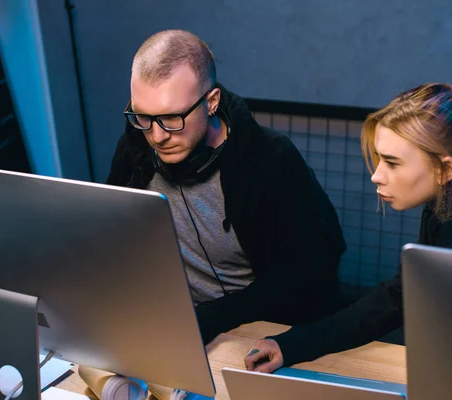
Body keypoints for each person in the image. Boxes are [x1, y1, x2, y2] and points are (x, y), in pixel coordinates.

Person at [245, 80, 452, 373]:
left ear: (445, 169)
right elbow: (401, 295)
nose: (376, 175)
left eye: (392, 163)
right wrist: (291, 345)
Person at [106, 30, 346, 345]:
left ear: (212, 101)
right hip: (177, 326)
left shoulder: (272, 159)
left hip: (262, 331)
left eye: (171, 118)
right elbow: (115, 236)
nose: (157, 135)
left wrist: (214, 317)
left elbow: (308, 271)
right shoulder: (134, 147)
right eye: (143, 117)